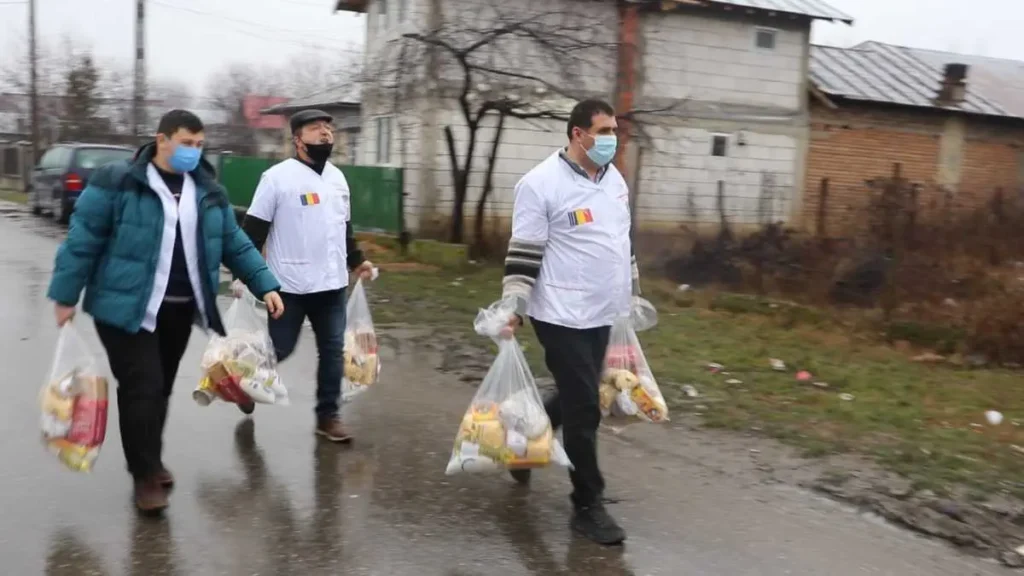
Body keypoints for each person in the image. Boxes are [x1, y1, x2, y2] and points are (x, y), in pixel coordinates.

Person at [47, 109, 284, 514]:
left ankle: (150, 459)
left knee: (160, 389)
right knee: (142, 386)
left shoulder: (208, 190)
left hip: (177, 310)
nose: (194, 151)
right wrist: (65, 295)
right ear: (162, 140)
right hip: (124, 309)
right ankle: (144, 476)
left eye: (199, 145)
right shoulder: (118, 181)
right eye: (186, 143)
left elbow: (234, 242)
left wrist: (267, 283)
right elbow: (83, 238)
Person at [497, 99, 641, 546]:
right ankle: (587, 505)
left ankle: (523, 442)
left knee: (579, 393)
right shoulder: (540, 184)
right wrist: (513, 307)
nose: (610, 140)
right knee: (584, 406)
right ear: (577, 134)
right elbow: (524, 251)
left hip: (602, 310)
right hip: (559, 312)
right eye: (602, 131)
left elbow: (621, 242)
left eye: (613, 130)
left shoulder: (614, 179)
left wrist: (631, 293)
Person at [239, 109, 374, 443]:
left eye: (329, 128)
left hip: (332, 283)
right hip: (289, 285)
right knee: (280, 348)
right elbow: (253, 231)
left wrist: (357, 261)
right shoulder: (276, 179)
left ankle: (328, 417)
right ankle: (245, 382)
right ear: (298, 140)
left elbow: (344, 228)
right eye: (316, 129)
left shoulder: (338, 179)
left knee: (332, 350)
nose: (326, 133)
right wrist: (245, 275)